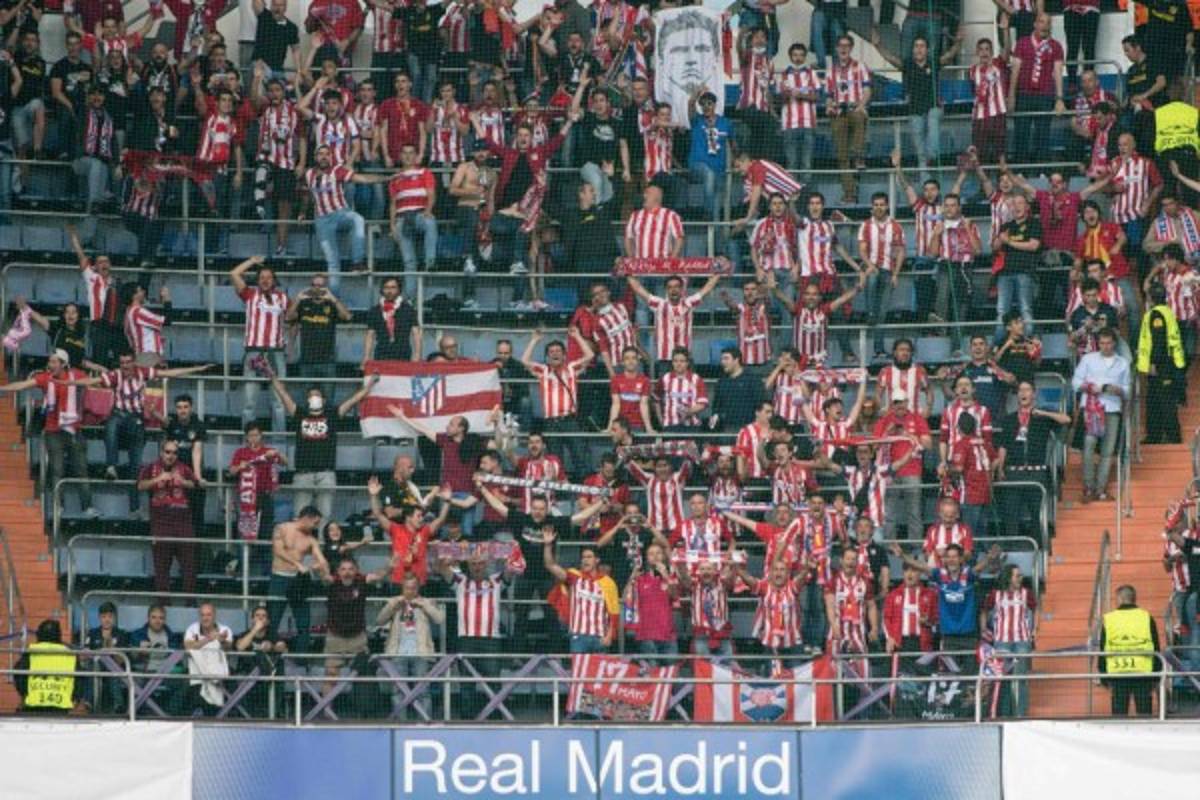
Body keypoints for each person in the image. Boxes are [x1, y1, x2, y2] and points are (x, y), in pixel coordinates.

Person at [69, 355, 209, 517]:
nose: (125, 365)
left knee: (135, 466)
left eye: (128, 362)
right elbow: (91, 382)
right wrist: (68, 382)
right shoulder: (116, 375)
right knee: (111, 424)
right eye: (122, 362)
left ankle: (134, 508)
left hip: (136, 418)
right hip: (119, 415)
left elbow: (169, 373)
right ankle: (111, 466)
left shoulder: (143, 372)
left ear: (134, 362)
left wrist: (196, 369)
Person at [267, 370, 376, 522]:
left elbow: (352, 401)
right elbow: (284, 395)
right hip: (303, 474)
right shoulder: (300, 414)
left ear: (324, 400)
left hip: (326, 474)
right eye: (311, 396)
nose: (314, 398)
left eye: (317, 395)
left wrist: (369, 386)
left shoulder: (332, 415)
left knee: (324, 518)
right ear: (307, 400)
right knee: (300, 519)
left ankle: (321, 545)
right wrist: (272, 377)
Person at [0, 350, 96, 516]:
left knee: (81, 469)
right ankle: (59, 506)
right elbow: (22, 385)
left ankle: (88, 507)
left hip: (74, 429)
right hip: (53, 431)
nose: (50, 365)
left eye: (53, 362)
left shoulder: (77, 375)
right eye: (50, 362)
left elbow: (95, 382)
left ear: (63, 364)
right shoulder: (45, 378)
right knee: (56, 469)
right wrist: (3, 388)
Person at [994, 380, 1071, 544]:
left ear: (1034, 394)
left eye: (1027, 390)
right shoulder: (1009, 419)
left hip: (1036, 472)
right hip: (1013, 472)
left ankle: (1040, 550)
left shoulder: (1042, 416)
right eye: (1020, 390)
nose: (1023, 393)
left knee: (1037, 514)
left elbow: (1066, 420)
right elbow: (1003, 446)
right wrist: (1000, 468)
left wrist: (1043, 413)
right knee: (1011, 515)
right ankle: (1013, 550)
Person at [305, 144, 392, 285]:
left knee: (357, 219)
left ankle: (357, 262)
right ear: (316, 157)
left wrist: (385, 179)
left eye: (327, 154)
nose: (324, 157)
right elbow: (308, 195)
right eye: (321, 154)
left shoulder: (337, 170)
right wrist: (303, 212)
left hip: (340, 214)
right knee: (333, 263)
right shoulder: (309, 174)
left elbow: (362, 179)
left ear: (331, 157)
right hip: (322, 220)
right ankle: (334, 300)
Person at [231, 256, 289, 433]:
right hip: (253, 352)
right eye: (262, 277)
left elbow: (295, 319)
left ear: (274, 280)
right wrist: (251, 261)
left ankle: (280, 441)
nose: (265, 280)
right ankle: (247, 443)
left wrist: (291, 344)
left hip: (276, 352)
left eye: (269, 277)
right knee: (249, 401)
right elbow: (234, 273)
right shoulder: (250, 295)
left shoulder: (283, 298)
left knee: (279, 402)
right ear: (257, 280)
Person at [1071, 328, 1130, 502]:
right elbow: (1075, 382)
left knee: (1108, 450)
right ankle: (1088, 487)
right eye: (1102, 343)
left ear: (1114, 343)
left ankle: (1101, 489)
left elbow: (1128, 389)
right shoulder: (1088, 359)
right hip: (1091, 409)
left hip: (1112, 408)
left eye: (1109, 343)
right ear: (1098, 343)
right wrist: (1088, 387)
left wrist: (1117, 389)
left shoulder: (1123, 363)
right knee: (1088, 447)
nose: (1105, 346)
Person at [376, 573, 444, 719]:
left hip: (421, 653)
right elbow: (379, 620)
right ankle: (400, 724)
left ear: (418, 588)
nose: (410, 591)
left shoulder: (427, 602)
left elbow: (439, 619)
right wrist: (393, 605)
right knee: (397, 691)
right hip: (398, 653)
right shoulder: (394, 602)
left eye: (413, 588)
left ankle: (424, 723)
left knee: (423, 692)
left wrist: (424, 605)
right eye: (407, 588)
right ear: (402, 588)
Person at [137, 440, 199, 600]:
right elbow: (140, 485)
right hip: (161, 521)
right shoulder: (151, 467)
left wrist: (183, 482)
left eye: (174, 453)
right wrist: (157, 479)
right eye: (168, 452)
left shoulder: (184, 468)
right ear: (161, 452)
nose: (171, 456)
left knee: (189, 565)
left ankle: (190, 602)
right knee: (161, 567)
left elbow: (195, 484)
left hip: (183, 520)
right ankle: (163, 604)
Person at [542, 529, 620, 653]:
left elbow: (614, 613)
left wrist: (610, 636)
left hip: (600, 636)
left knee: (598, 673)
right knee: (579, 672)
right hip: (578, 636)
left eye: (589, 557)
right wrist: (547, 545)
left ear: (597, 560)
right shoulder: (574, 576)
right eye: (583, 557)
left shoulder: (608, 582)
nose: (585, 560)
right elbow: (550, 566)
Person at [265, 506, 328, 654]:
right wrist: (297, 564)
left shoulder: (311, 539)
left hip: (298, 582)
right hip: (279, 577)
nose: (316, 526)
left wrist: (318, 566)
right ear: (307, 518)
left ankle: (302, 660)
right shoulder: (282, 528)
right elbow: (278, 550)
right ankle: (270, 659)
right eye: (315, 523)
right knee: (272, 619)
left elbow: (322, 560)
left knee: (303, 622)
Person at [1007, 14, 1066, 165]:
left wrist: (1059, 99)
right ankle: (1021, 170)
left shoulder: (1056, 46)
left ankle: (1042, 171)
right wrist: (1011, 96)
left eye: (1048, 23)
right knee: (1021, 134)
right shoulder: (1023, 43)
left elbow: (1058, 73)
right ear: (1035, 24)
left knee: (1042, 134)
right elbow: (1015, 70)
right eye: (1041, 22)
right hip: (1023, 94)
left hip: (1045, 96)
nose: (1045, 26)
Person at [874, 390, 933, 540]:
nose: (900, 405)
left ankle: (915, 547)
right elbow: (873, 448)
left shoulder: (917, 419)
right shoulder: (884, 421)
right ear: (891, 405)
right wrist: (887, 433)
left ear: (907, 402)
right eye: (896, 402)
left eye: (902, 402)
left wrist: (909, 435)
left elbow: (929, 444)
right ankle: (889, 547)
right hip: (889, 472)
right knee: (889, 512)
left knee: (914, 512)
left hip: (912, 470)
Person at [981, 563, 1037, 717]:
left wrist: (1034, 630)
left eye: (1020, 575)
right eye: (1017, 575)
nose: (1020, 578)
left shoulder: (1027, 594)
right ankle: (1004, 712)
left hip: (1022, 641)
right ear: (1008, 577)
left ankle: (1020, 714)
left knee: (1020, 679)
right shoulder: (996, 595)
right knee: (1002, 679)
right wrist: (984, 629)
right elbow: (984, 610)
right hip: (1002, 641)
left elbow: (1035, 610)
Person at [285, 275, 352, 399]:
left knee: (328, 400)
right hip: (306, 360)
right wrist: (298, 299)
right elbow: (288, 317)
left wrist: (333, 298)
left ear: (326, 288)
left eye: (321, 286)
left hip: (327, 360)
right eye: (314, 285)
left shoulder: (331, 305)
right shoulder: (303, 303)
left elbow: (347, 317)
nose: (317, 289)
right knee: (307, 400)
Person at [1099, 584, 1161, 716]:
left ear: (1120, 598)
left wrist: (1103, 675)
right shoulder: (1146, 617)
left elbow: (1103, 648)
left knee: (1119, 716)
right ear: (1134, 598)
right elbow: (1156, 647)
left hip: (1118, 672)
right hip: (1143, 672)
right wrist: (1157, 674)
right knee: (1145, 715)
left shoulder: (1109, 619)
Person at [857, 192, 907, 359]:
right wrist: (871, 265)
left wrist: (896, 274)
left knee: (883, 313)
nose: (879, 207)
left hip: (887, 270)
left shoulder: (896, 226)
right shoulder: (865, 225)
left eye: (882, 204)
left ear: (887, 206)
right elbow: (862, 250)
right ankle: (869, 312)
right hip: (871, 267)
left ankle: (879, 349)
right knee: (871, 277)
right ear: (872, 207)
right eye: (876, 204)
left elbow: (900, 252)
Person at [825, 35, 871, 205]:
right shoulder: (831, 70)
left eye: (846, 45)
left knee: (860, 115)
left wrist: (861, 104)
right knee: (842, 157)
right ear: (836, 48)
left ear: (851, 48)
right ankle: (849, 193)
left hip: (854, 107)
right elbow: (829, 95)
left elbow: (867, 90)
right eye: (840, 45)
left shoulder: (860, 66)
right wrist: (829, 106)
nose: (843, 49)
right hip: (839, 112)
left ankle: (859, 155)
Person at [389, 142, 438, 299]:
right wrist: (392, 225)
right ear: (400, 156)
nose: (408, 156)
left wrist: (428, 210)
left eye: (411, 152)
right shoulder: (395, 178)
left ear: (417, 156)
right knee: (409, 262)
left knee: (430, 222)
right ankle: (410, 299)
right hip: (403, 217)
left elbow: (431, 194)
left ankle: (430, 262)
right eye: (405, 152)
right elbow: (393, 203)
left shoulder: (425, 172)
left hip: (420, 214)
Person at [1138, 283, 1185, 444]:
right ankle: (1155, 434)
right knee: (1154, 400)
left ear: (1150, 298)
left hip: (1162, 365)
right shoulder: (1167, 312)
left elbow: (1158, 341)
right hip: (1169, 363)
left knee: (1165, 402)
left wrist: (1153, 363)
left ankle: (1172, 437)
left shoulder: (1156, 315)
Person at [995, 193, 1042, 339]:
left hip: (1025, 272)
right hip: (1005, 273)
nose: (1017, 207)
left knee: (1025, 309)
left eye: (1020, 203)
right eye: (1014, 204)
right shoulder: (1006, 226)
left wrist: (1009, 242)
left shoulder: (1034, 223)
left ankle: (1027, 343)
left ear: (1027, 207)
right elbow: (995, 247)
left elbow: (1033, 245)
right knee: (1002, 310)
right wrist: (1000, 240)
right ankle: (998, 344)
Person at [622, 542, 680, 660]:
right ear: (646, 559)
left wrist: (665, 575)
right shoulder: (640, 579)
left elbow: (675, 595)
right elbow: (625, 598)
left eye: (658, 553)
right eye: (651, 554)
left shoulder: (671, 577)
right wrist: (631, 578)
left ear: (663, 556)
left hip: (668, 634)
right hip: (646, 635)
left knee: (670, 674)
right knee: (652, 675)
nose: (655, 556)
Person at [14, 620, 86, 714]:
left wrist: (25, 694)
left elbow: (18, 675)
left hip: (34, 705)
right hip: (61, 707)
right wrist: (73, 699)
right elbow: (79, 682)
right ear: (59, 635)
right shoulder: (70, 654)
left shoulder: (31, 651)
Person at [232, 605, 288, 718]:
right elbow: (240, 647)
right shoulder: (245, 634)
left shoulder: (272, 635)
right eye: (257, 616)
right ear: (252, 619)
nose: (260, 618)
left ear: (267, 621)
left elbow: (283, 647)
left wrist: (271, 646)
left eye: (264, 616)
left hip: (267, 678)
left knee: (279, 669)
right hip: (247, 675)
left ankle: (272, 715)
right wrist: (254, 630)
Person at [183, 603, 233, 716]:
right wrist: (209, 639)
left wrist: (221, 641)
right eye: (202, 615)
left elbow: (229, 647)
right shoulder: (192, 629)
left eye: (208, 615)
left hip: (220, 673)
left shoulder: (224, 629)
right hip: (197, 672)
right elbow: (188, 646)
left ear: (214, 616)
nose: (205, 618)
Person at [362, 277, 421, 365]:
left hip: (403, 354)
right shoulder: (375, 310)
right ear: (382, 290)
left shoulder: (408, 309)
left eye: (393, 287)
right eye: (386, 287)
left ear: (399, 289)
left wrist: (417, 354)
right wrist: (366, 356)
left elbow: (416, 333)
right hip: (381, 354)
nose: (389, 291)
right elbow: (370, 335)